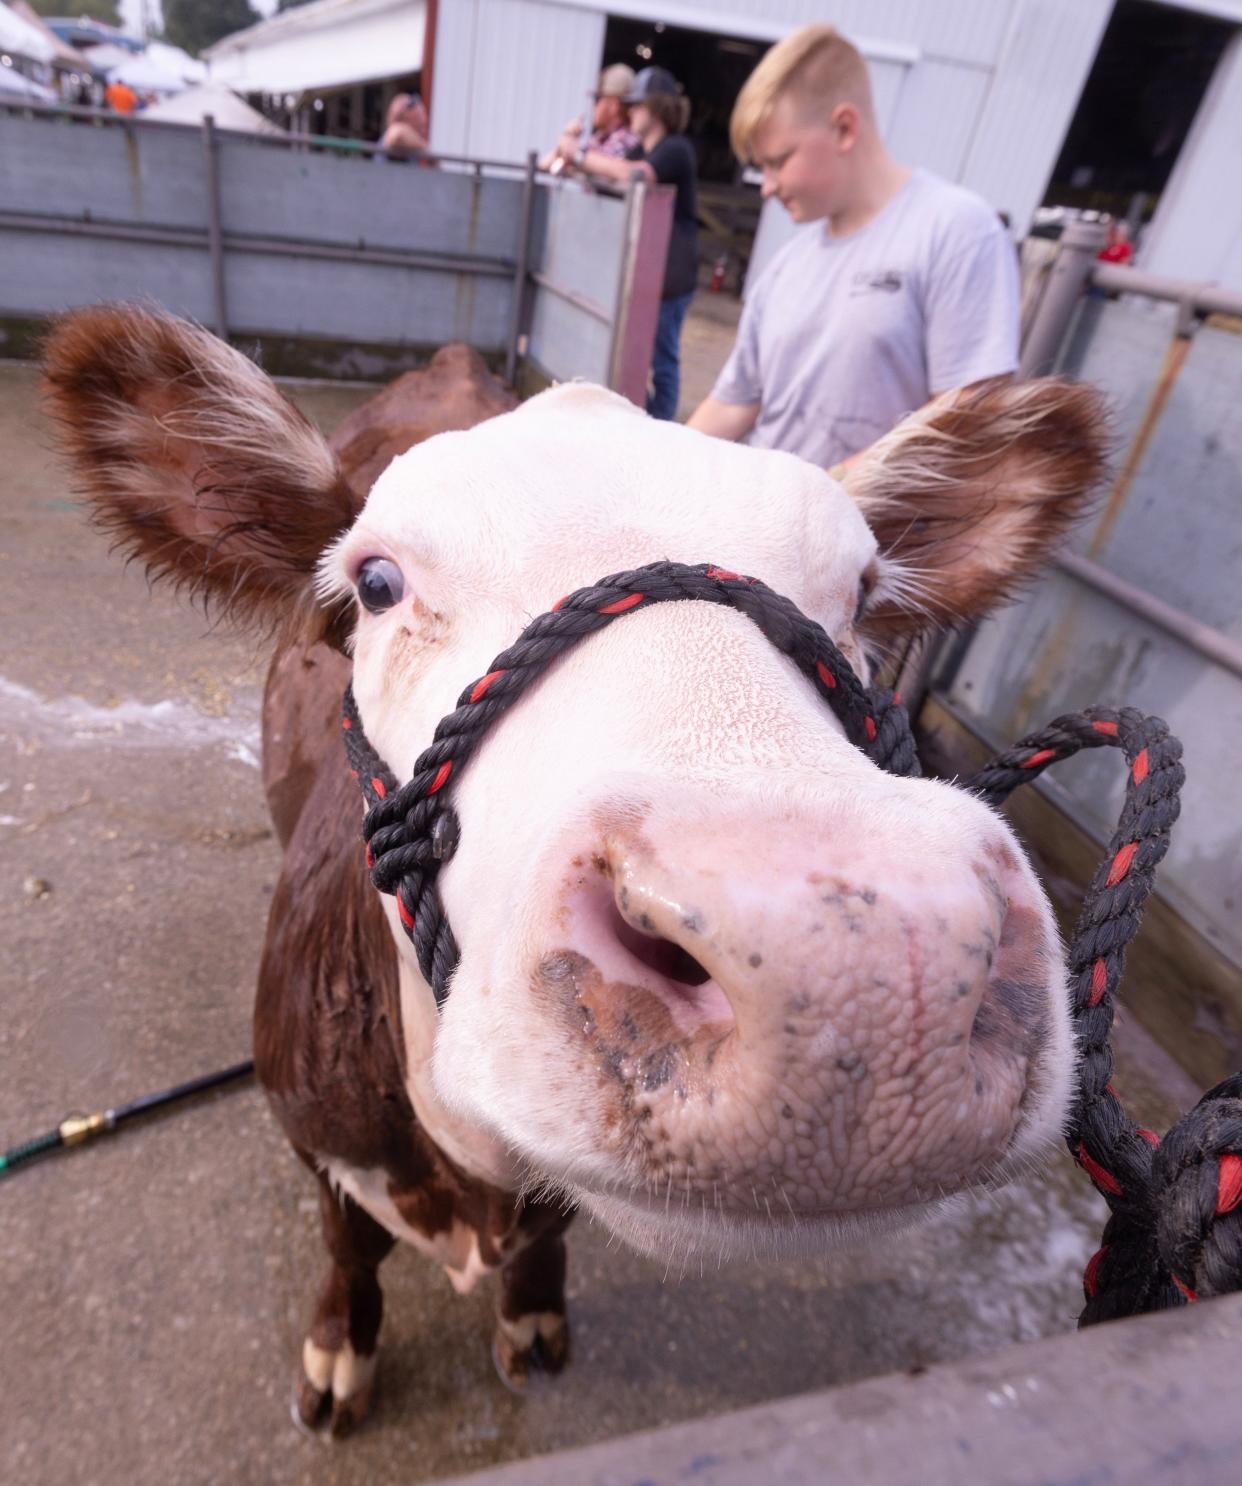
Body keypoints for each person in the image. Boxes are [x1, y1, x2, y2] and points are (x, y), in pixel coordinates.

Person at [688, 25, 1019, 474]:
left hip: (877, 539)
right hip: (770, 526)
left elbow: (973, 411)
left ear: (844, 128)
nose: (766, 187)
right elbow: (734, 403)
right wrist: (664, 465)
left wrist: (826, 495)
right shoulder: (786, 266)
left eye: (778, 162)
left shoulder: (956, 230)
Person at [555, 66, 698, 421]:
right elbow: (613, 169)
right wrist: (572, 158)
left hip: (673, 275)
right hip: (651, 272)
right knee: (639, 352)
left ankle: (662, 426)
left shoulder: (675, 150)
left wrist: (577, 155)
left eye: (637, 105)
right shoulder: (642, 149)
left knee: (662, 358)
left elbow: (637, 176)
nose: (629, 111)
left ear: (657, 108)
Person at [541, 64, 641, 172]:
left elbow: (587, 164)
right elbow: (545, 166)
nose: (594, 106)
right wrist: (566, 143)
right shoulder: (601, 137)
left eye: (598, 99)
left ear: (614, 105)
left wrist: (570, 147)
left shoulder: (627, 138)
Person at [380, 92, 429, 159]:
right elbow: (397, 135)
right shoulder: (394, 133)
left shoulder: (411, 146)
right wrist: (426, 149)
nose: (423, 131)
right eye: (419, 125)